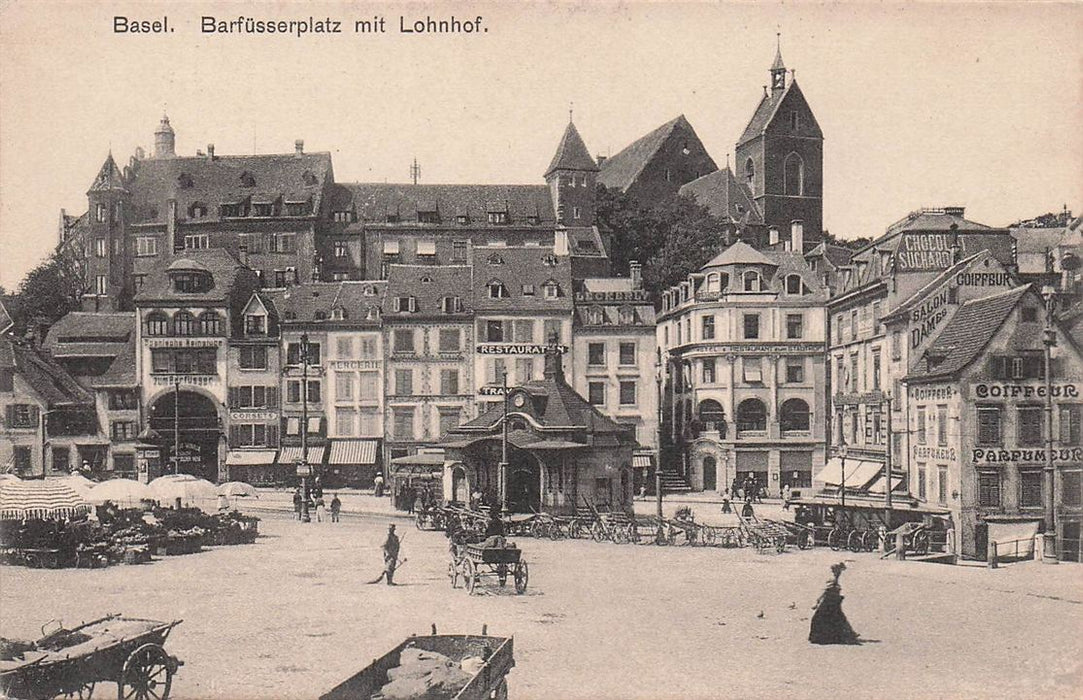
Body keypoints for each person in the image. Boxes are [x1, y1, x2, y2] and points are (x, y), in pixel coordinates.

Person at [809, 563, 860, 645]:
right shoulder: (832, 579)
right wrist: (817, 601)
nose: (840, 573)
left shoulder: (835, 578)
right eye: (839, 571)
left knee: (837, 618)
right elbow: (824, 591)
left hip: (833, 601)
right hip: (829, 602)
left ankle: (848, 634)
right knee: (834, 618)